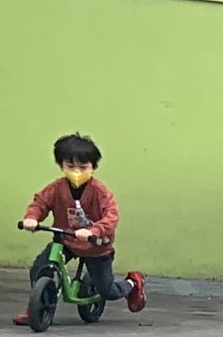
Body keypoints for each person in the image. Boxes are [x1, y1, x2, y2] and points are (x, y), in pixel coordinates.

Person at [13, 133, 146, 326]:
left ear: (94, 167)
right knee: (40, 268)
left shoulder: (99, 192)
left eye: (83, 167)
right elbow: (40, 203)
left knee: (107, 291)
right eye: (70, 166)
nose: (76, 172)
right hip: (65, 240)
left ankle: (132, 283)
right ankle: (37, 304)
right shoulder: (56, 188)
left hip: (96, 246)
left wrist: (95, 231)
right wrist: (32, 218)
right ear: (61, 166)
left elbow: (111, 215)